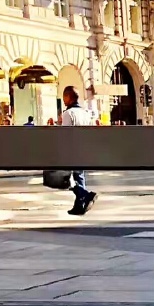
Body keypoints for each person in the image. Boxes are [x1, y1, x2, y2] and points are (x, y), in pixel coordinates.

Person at [60, 86, 97, 216]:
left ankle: (86, 195)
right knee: (79, 176)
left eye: (64, 97)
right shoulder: (85, 113)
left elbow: (65, 135)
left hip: (72, 150)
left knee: (67, 179)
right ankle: (78, 206)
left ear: (68, 97)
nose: (63, 100)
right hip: (85, 149)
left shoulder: (68, 114)